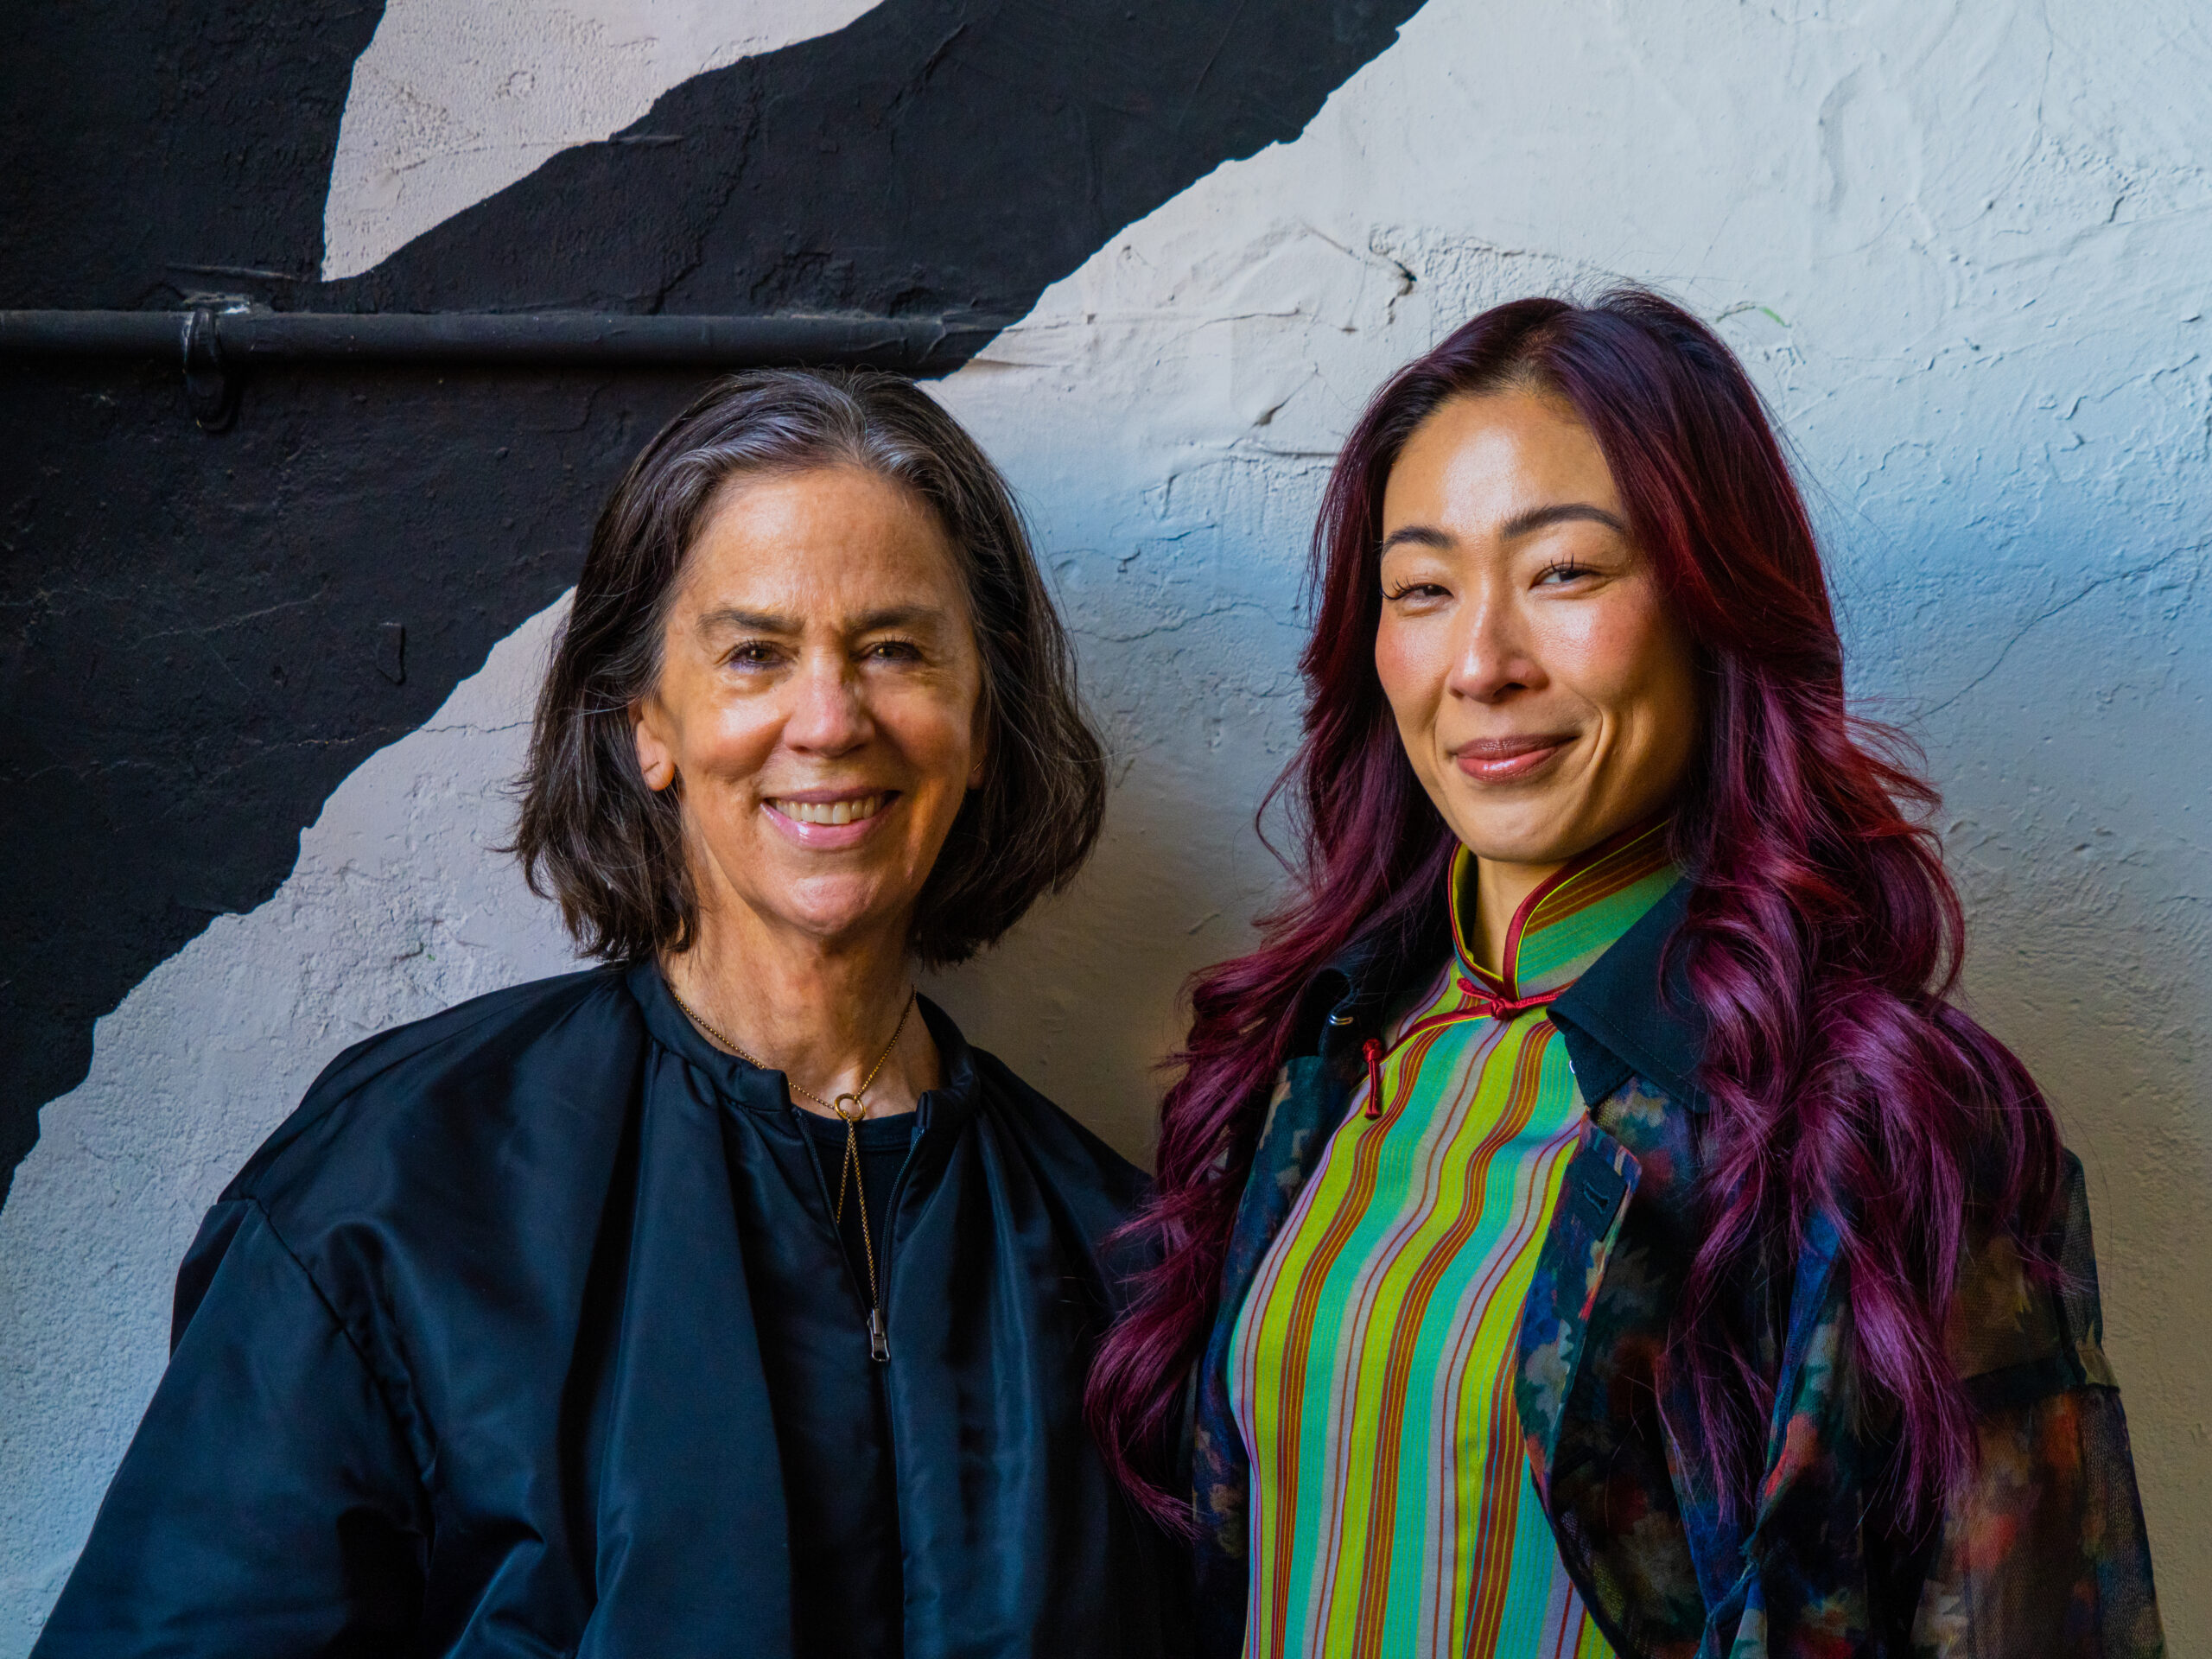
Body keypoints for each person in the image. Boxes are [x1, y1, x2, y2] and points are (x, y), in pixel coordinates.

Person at [36, 370, 1185, 1656]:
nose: (828, 719)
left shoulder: (1125, 1262)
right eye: (756, 652)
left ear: (981, 717)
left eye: (895, 649)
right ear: (647, 721)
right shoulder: (401, 1192)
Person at [1087, 291, 2164, 1657]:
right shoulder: (1304, 1068)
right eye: (1422, 589)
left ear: (1714, 607)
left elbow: (2045, 1631)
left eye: (1566, 574)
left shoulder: (1879, 1126)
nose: (1481, 664)